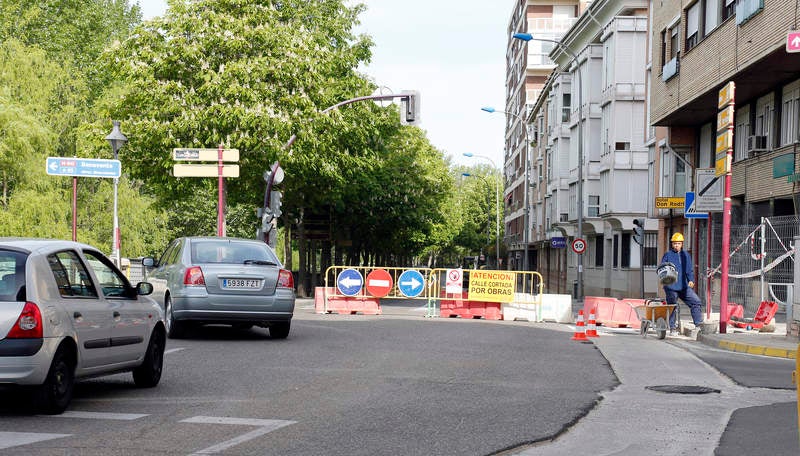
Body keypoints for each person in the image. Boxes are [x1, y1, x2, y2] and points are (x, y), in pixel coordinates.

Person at [660, 232, 704, 334]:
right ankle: (672, 328)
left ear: (682, 244)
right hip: (671, 286)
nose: (677, 245)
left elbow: (689, 269)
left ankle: (698, 325)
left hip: (684, 286)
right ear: (672, 244)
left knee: (696, 302)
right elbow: (662, 269)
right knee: (673, 306)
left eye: (679, 243)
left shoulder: (686, 255)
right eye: (675, 243)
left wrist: (691, 280)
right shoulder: (667, 255)